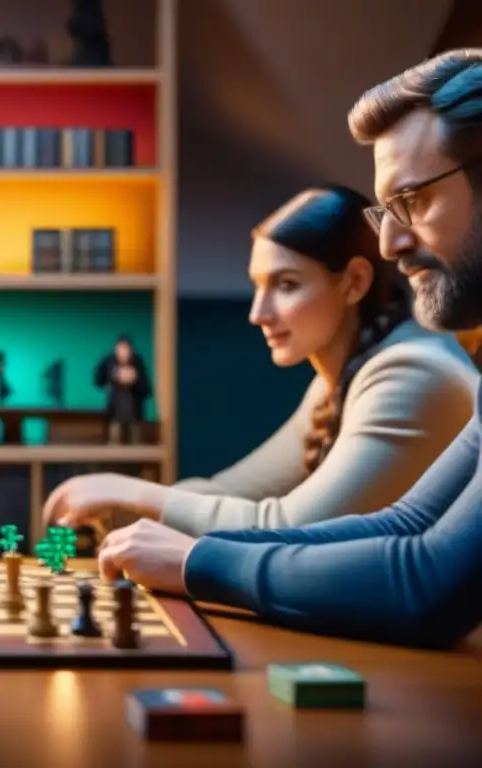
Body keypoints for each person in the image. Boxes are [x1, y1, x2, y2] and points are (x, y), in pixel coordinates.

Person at [88, 49, 482, 649]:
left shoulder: (411, 367)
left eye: (414, 201)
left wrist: (197, 562)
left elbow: (425, 582)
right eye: (386, 211)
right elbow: (406, 525)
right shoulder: (354, 373)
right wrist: (185, 548)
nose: (392, 245)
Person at [45, 185, 478, 538]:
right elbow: (233, 493)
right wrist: (123, 504)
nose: (258, 313)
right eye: (257, 286)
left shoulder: (410, 373)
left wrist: (130, 493)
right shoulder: (344, 374)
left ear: (354, 282)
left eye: (286, 285)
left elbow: (289, 527)